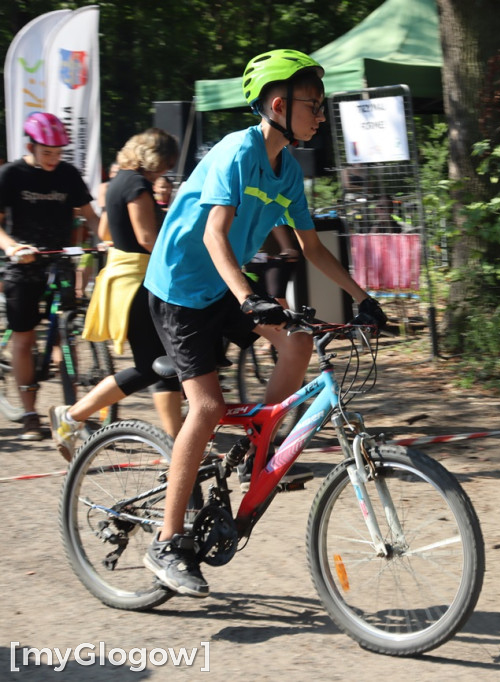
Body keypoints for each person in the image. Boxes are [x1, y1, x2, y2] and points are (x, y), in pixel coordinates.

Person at [141, 49, 387, 597]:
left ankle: (258, 450)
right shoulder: (237, 152)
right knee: (205, 407)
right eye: (313, 105)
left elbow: (312, 250)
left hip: (226, 286)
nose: (320, 115)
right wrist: (250, 298)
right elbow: (213, 236)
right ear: (279, 105)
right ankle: (166, 540)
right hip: (181, 289)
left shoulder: (286, 172)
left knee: (298, 343)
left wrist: (364, 300)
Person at [49, 128, 184, 461]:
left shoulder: (118, 182)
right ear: (154, 158)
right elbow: (149, 239)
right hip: (140, 283)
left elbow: (107, 231)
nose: (163, 174)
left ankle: (177, 444)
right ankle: (72, 416)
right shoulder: (137, 185)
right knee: (154, 365)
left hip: (127, 281)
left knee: (160, 364)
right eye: (163, 166)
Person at [0, 112, 100, 440]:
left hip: (59, 261)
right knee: (25, 338)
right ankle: (30, 413)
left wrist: (103, 241)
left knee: (63, 336)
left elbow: (90, 215)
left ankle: (72, 409)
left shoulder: (68, 174)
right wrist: (12, 246)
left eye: (59, 153)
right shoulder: (11, 175)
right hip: (22, 264)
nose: (54, 159)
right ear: (31, 145)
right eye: (47, 153)